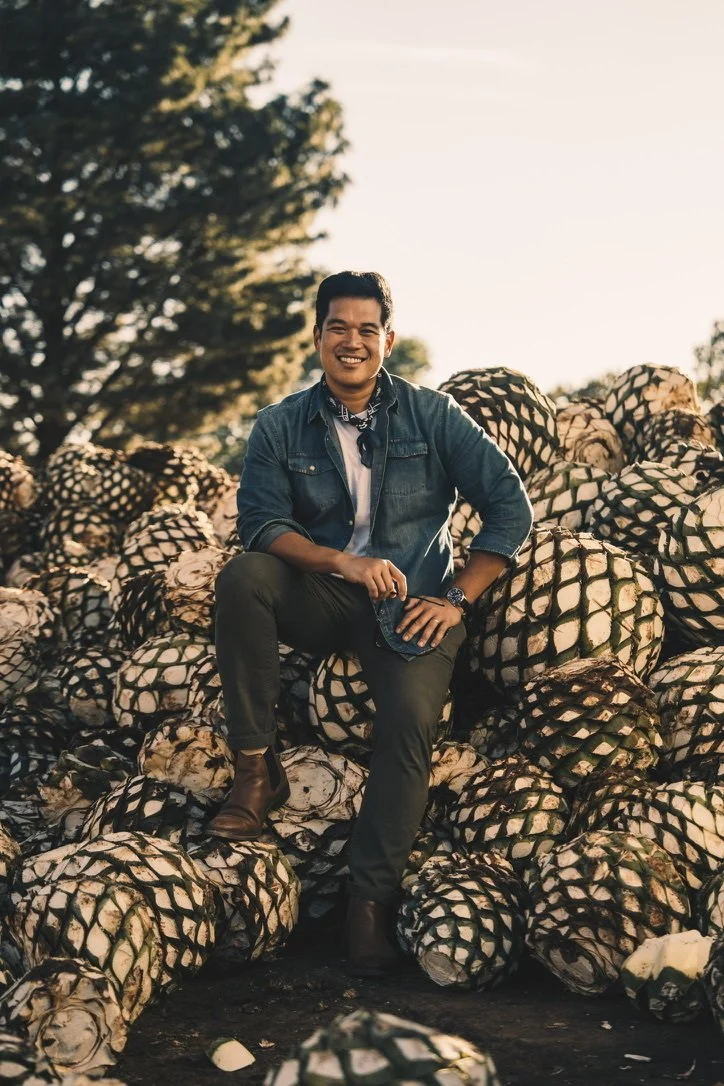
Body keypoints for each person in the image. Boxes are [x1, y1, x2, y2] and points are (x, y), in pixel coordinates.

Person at [210, 271, 533, 975]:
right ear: (318, 337)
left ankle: (369, 905)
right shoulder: (280, 424)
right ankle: (255, 771)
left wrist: (458, 598)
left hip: (415, 603)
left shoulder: (435, 415)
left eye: (366, 329)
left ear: (387, 338)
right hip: (324, 595)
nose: (351, 341)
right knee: (243, 578)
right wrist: (339, 563)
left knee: (410, 726)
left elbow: (512, 507)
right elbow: (262, 524)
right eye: (338, 327)